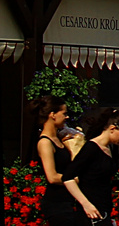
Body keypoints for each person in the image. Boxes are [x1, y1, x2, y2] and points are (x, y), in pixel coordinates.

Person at [64, 107, 119, 224]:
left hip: (103, 210)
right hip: (91, 213)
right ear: (112, 128)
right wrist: (86, 204)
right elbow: (67, 177)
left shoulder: (109, 148)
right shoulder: (91, 148)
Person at [30, 95, 79, 226]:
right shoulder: (45, 142)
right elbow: (52, 177)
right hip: (57, 203)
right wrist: (75, 180)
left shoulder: (59, 138)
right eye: (64, 113)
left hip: (67, 201)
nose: (67, 117)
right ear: (52, 115)